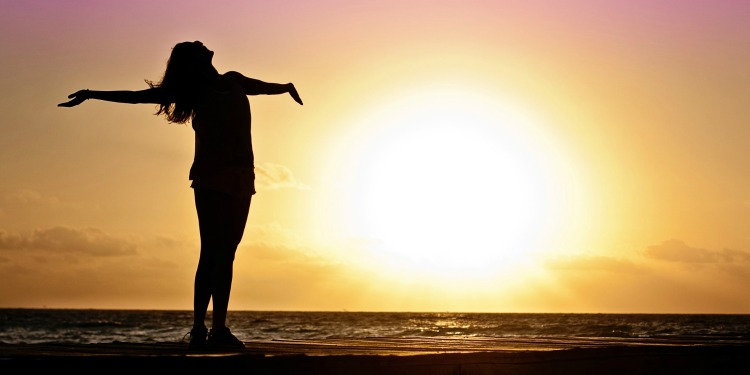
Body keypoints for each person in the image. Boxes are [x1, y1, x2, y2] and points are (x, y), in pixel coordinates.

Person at [58, 41, 303, 350]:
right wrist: (92, 94)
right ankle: (200, 327)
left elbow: (265, 88)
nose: (205, 45)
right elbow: (137, 98)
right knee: (212, 252)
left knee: (227, 253)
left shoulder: (233, 80)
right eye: (197, 47)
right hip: (211, 176)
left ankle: (219, 328)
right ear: (194, 61)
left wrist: (286, 87)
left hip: (243, 176)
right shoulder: (194, 91)